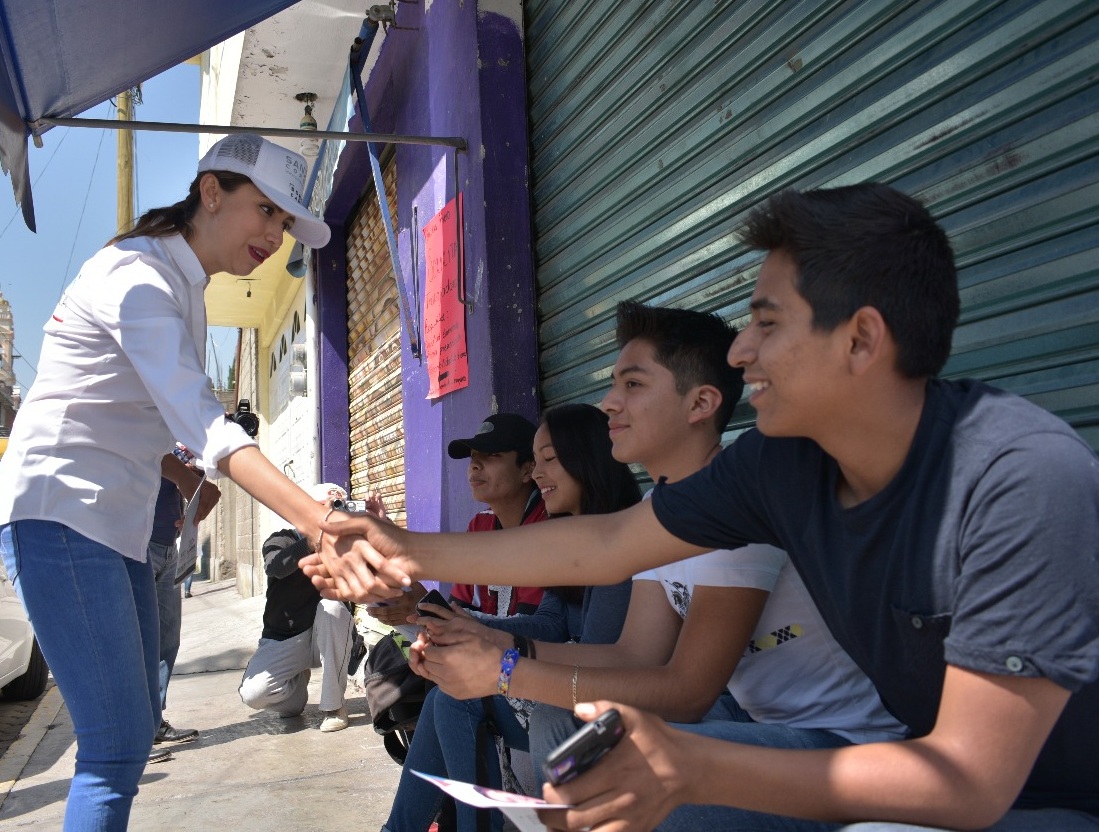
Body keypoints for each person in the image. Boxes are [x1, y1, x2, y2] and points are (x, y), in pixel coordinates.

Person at [304, 183, 1099, 831]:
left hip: (1047, 802)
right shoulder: (779, 464)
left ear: (860, 341)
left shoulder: (1019, 480)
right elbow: (608, 544)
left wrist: (691, 767)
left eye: (764, 321)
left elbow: (967, 783)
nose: (742, 349)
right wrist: (403, 544)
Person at [0, 132, 367, 831]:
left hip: (114, 525)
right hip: (61, 516)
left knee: (131, 737)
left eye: (285, 223)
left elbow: (140, 417)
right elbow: (206, 425)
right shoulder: (137, 277)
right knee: (111, 748)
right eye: (265, 211)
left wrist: (186, 478)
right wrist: (316, 521)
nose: (274, 234)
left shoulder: (183, 286)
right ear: (210, 193)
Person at [412, 301, 904, 812]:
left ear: (700, 405)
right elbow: (634, 655)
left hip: (838, 745)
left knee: (629, 772)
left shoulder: (742, 501)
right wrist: (497, 642)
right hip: (752, 723)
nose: (608, 404)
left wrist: (505, 670)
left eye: (633, 385)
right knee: (568, 734)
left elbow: (688, 690)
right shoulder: (657, 509)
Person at [382, 403, 639, 832]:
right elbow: (551, 623)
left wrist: (487, 644)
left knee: (454, 699)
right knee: (446, 694)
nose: (540, 474)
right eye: (537, 461)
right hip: (548, 681)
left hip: (585, 696)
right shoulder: (518, 530)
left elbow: (597, 654)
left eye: (549, 460)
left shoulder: (604, 538)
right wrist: (445, 621)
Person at [366, 412, 548, 632]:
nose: (475, 465)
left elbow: (537, 630)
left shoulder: (548, 525)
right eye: (473, 456)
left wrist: (426, 607)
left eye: (491, 455)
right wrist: (417, 606)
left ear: (528, 469)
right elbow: (458, 607)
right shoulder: (480, 524)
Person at [239, 483, 367, 733]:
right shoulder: (282, 539)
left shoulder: (348, 544)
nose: (329, 516)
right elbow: (275, 567)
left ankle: (334, 706)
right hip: (287, 636)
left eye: (336, 509)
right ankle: (296, 689)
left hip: (330, 633)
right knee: (255, 695)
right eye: (322, 509)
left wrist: (375, 526)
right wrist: (312, 541)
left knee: (332, 608)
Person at [145, 462, 213, 762]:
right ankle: (134, 735)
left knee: (167, 639)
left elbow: (193, 477)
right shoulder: (140, 424)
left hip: (169, 548)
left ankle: (154, 723)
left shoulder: (171, 444)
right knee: (138, 642)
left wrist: (192, 479)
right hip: (138, 545)